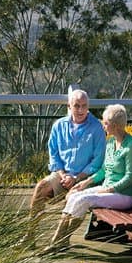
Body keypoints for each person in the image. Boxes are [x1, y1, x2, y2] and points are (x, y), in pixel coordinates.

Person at [49, 103, 132, 248]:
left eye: (106, 123)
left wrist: (110, 189)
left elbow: (130, 177)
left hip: (123, 195)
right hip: (107, 189)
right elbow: (104, 170)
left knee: (84, 199)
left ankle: (57, 241)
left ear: (115, 126)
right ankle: (60, 240)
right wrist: (85, 182)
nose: (103, 125)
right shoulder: (111, 143)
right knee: (74, 195)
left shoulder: (131, 147)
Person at [29, 88, 106, 217]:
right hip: (62, 175)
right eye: (76, 106)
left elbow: (98, 160)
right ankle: (30, 232)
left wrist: (76, 177)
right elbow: (54, 154)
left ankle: (61, 237)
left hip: (85, 178)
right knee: (41, 187)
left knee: (72, 198)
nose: (81, 110)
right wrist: (63, 175)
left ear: (88, 106)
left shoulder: (97, 127)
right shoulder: (58, 126)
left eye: (84, 106)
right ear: (69, 106)